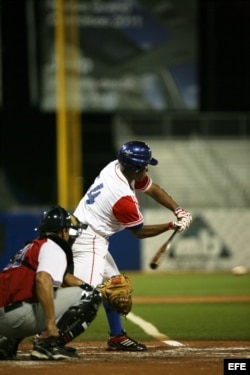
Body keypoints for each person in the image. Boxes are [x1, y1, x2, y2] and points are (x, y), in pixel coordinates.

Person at [70, 140, 192, 351]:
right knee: (83, 297)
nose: (147, 168)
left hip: (86, 232)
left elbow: (153, 189)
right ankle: (48, 338)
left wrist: (178, 210)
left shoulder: (115, 167)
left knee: (114, 287)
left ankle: (117, 337)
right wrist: (171, 225)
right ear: (135, 167)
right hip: (87, 240)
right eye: (144, 165)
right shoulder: (122, 198)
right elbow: (139, 233)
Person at [0, 205, 102, 360]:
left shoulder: (33, 246)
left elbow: (65, 278)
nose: (70, 234)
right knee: (90, 296)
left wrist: (90, 286)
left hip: (4, 321)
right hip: (17, 318)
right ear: (62, 231)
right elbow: (42, 279)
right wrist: (50, 323)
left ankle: (7, 343)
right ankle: (49, 346)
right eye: (68, 229)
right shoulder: (54, 246)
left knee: (42, 293)